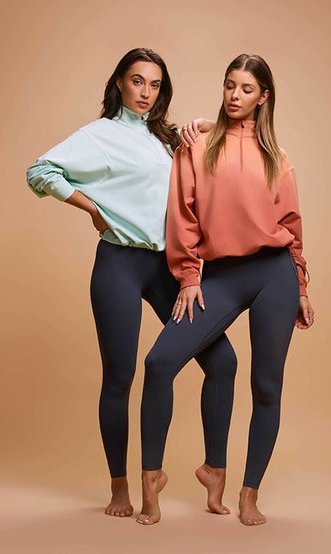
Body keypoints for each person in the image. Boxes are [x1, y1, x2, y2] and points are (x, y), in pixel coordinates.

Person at [26, 48, 237, 519]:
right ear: (120, 82)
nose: (146, 92)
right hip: (119, 265)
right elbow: (39, 171)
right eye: (138, 81)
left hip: (168, 268)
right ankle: (120, 487)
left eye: (155, 84)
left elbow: (211, 161)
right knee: (119, 379)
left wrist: (205, 125)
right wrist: (92, 208)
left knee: (222, 361)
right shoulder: (99, 135)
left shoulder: (165, 138)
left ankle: (213, 470)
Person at [138, 54, 315, 526]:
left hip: (275, 273)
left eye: (246, 89)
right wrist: (188, 276)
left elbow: (292, 227)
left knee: (266, 387)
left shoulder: (278, 159)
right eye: (229, 85)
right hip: (221, 275)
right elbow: (182, 216)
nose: (235, 95)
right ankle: (164, 477)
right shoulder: (196, 145)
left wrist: (300, 285)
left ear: (263, 98)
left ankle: (247, 492)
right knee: (159, 363)